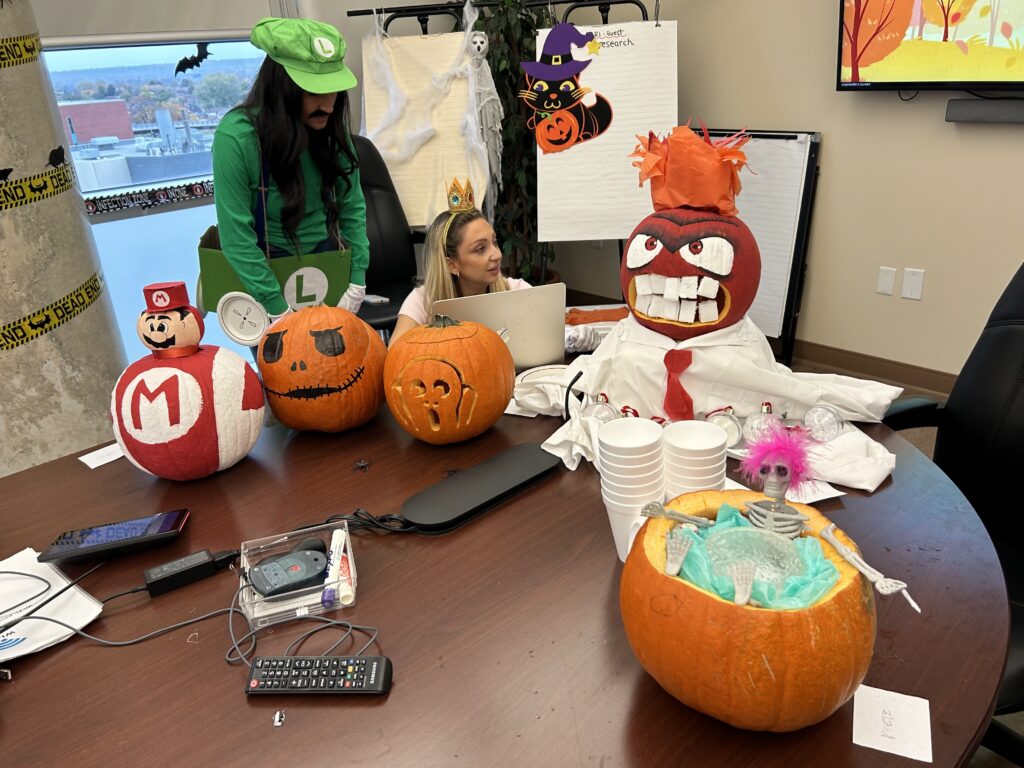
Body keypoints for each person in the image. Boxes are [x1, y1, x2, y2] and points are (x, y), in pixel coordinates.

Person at [212, 17, 369, 322]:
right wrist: (275, 307)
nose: (329, 104)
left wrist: (357, 278)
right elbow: (236, 237)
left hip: (326, 259)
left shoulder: (332, 131)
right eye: (313, 91)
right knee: (286, 366)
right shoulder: (237, 138)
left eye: (333, 89)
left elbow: (353, 207)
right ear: (280, 89)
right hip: (265, 267)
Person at [391, 179, 600, 353]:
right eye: (480, 249)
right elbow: (396, 354)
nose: (497, 255)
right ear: (452, 265)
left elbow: (549, 334)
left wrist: (572, 338)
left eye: (495, 242)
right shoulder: (424, 301)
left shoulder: (516, 290)